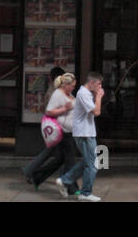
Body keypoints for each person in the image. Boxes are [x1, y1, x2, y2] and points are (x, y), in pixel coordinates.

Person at [25, 73, 79, 193]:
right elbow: (49, 111)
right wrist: (65, 109)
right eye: (72, 86)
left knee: (60, 159)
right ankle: (71, 187)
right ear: (65, 84)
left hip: (68, 131)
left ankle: (37, 176)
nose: (73, 88)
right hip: (62, 131)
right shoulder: (57, 94)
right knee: (70, 159)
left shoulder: (67, 94)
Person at [56, 71, 105, 202]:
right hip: (84, 133)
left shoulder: (86, 94)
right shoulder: (83, 94)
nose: (100, 87)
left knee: (88, 161)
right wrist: (99, 96)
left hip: (86, 132)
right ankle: (85, 193)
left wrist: (96, 95)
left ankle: (65, 180)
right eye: (99, 84)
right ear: (92, 83)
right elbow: (97, 112)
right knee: (93, 164)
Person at [21, 65, 68, 183]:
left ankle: (30, 171)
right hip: (58, 126)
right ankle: (64, 179)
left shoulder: (52, 89)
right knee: (63, 153)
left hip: (52, 126)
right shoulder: (56, 92)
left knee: (51, 152)